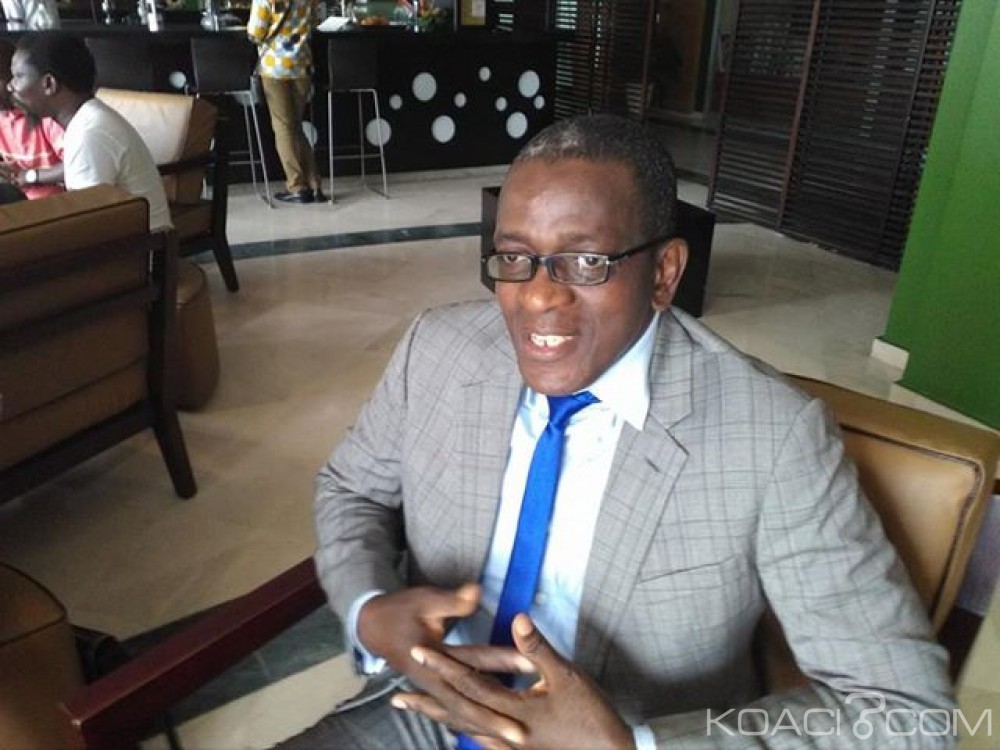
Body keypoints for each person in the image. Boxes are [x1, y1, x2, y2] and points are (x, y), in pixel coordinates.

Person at [293, 114, 954, 749]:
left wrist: (631, 744)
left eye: (586, 262)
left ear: (664, 273)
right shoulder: (437, 350)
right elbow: (352, 489)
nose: (537, 296)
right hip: (432, 708)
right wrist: (368, 605)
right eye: (515, 257)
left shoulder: (773, 437)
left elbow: (905, 712)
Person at [8, 31, 171, 232]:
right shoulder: (85, 120)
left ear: (49, 84)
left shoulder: (89, 133)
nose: (11, 86)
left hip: (143, 248)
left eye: (18, 76)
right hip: (132, 241)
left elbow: (89, 226)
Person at [247, 0, 325, 204]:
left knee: (283, 126)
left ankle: (297, 186)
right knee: (295, 126)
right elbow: (315, 21)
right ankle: (315, 185)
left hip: (274, 68)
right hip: (302, 66)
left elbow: (255, 33)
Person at [0, 38, 64, 200]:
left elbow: (74, 165)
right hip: (22, 203)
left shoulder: (43, 113)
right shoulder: (3, 118)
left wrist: (30, 176)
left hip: (59, 204)